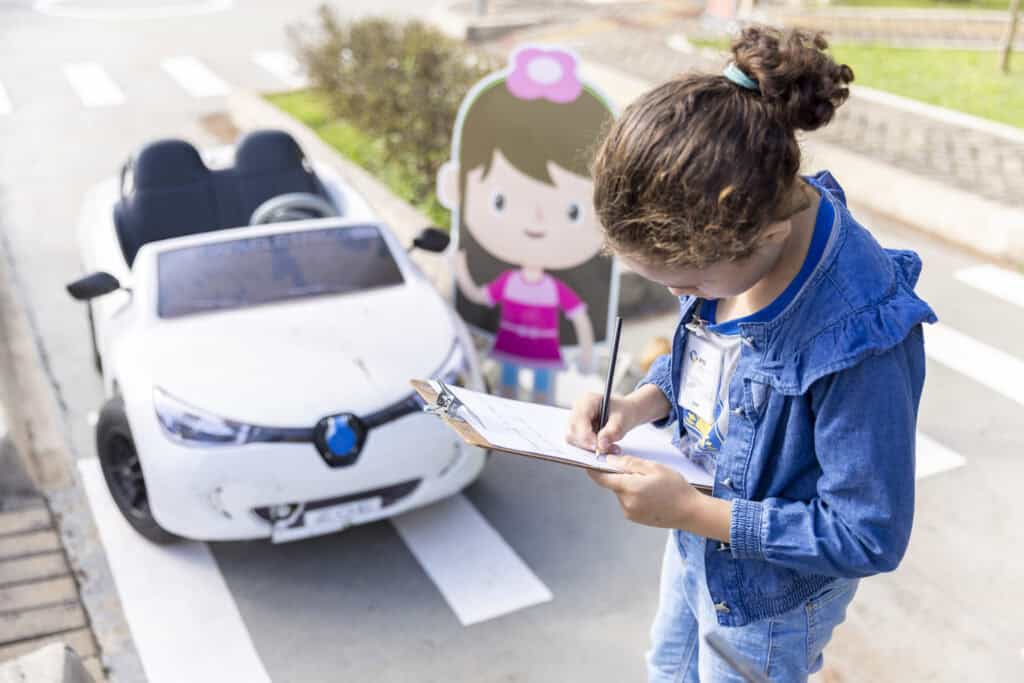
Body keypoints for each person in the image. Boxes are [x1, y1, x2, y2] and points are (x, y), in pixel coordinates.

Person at [565, 27, 937, 682]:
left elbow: (867, 533)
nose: (680, 296)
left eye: (690, 283)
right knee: (669, 667)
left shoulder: (860, 338)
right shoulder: (734, 231)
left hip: (769, 599)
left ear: (763, 231)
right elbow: (712, 355)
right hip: (700, 539)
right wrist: (639, 401)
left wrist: (690, 511)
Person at [438, 46, 617, 404]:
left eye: (572, 211)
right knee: (506, 390)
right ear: (454, 186)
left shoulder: (555, 289)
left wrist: (584, 350)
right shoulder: (508, 281)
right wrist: (459, 269)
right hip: (508, 349)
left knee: (543, 394)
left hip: (545, 356)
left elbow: (579, 317)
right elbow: (478, 296)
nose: (536, 221)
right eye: (499, 201)